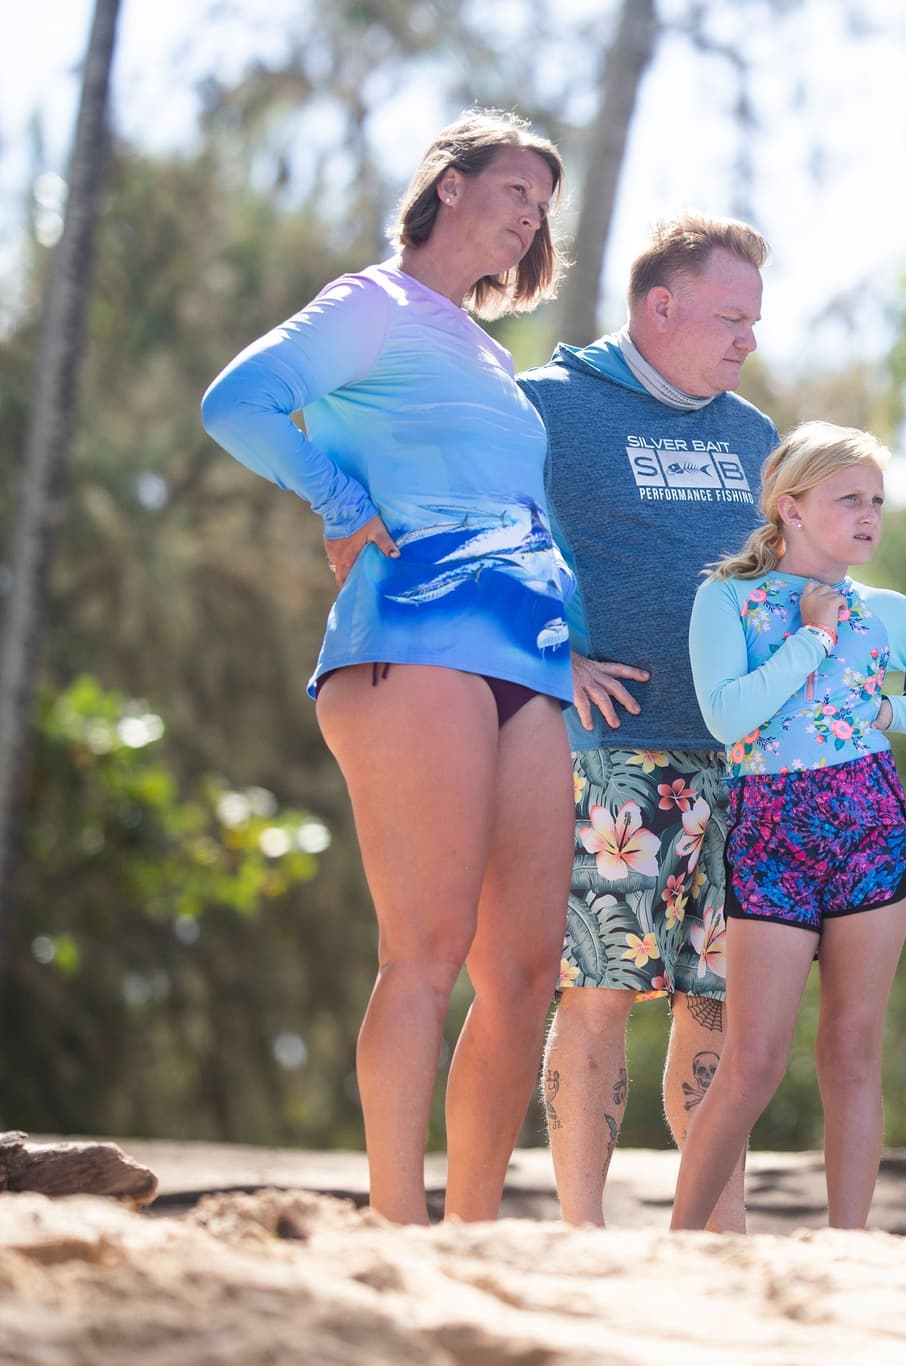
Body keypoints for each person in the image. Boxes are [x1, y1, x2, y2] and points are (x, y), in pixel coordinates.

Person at [199, 108, 574, 1224]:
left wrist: (583, 651)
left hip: (534, 665)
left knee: (523, 971)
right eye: (515, 189)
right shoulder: (371, 304)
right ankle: (395, 1227)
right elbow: (238, 403)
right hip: (412, 644)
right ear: (448, 185)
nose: (528, 218)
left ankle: (468, 1232)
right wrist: (340, 500)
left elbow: (534, 512)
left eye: (543, 207)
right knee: (425, 946)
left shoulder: (489, 352)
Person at [669, 422, 906, 1231]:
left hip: (869, 834)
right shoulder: (726, 599)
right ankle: (680, 1245)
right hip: (771, 837)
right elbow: (726, 720)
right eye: (848, 499)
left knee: (853, 1052)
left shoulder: (887, 612)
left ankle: (846, 1248)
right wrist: (813, 639)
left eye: (877, 502)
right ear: (790, 508)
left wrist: (890, 708)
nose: (869, 516)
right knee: (751, 1062)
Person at [517, 215, 774, 1231]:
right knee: (599, 992)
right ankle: (581, 1232)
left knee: (716, 1001)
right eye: (729, 316)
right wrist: (556, 656)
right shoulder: (543, 409)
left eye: (754, 320)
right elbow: (488, 545)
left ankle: (714, 1229)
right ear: (657, 307)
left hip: (738, 759)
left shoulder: (753, 436)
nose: (747, 339)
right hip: (609, 762)